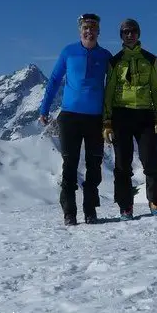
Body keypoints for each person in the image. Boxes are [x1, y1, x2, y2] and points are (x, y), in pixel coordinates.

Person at [38, 13, 112, 226]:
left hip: (95, 119)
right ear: (80, 31)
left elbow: (115, 86)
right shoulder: (69, 52)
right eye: (85, 28)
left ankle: (90, 211)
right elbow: (54, 80)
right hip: (69, 117)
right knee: (69, 164)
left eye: (93, 28)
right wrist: (44, 108)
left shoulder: (106, 56)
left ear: (98, 31)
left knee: (94, 165)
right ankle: (69, 213)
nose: (89, 31)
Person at [102, 18, 157, 220]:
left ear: (139, 34)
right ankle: (125, 207)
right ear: (121, 36)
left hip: (145, 114)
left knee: (152, 162)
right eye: (125, 32)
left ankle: (155, 201)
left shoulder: (150, 59)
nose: (129, 35)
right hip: (121, 114)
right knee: (122, 164)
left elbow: (156, 90)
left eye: (133, 31)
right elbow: (109, 91)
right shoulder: (115, 61)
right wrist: (107, 121)